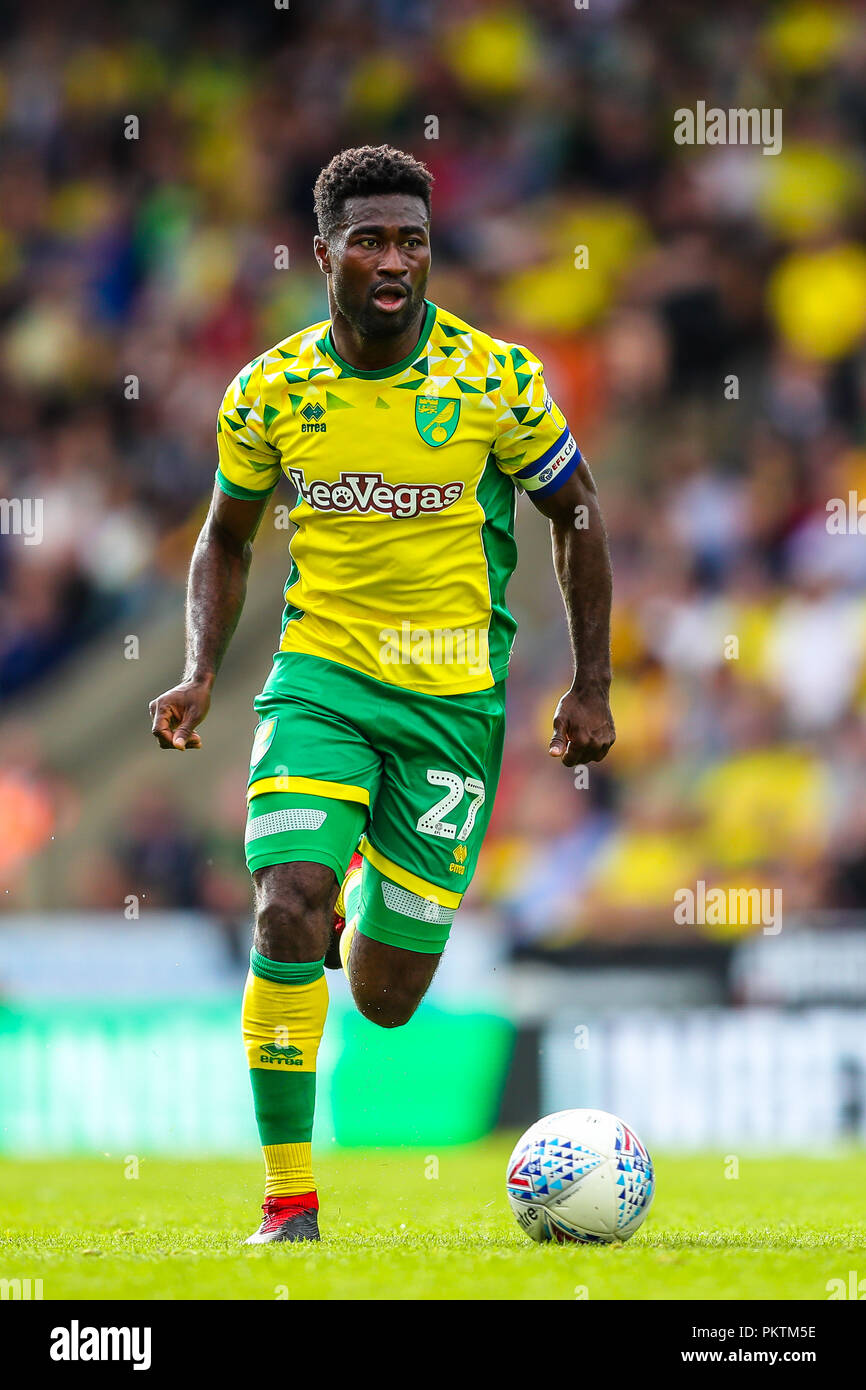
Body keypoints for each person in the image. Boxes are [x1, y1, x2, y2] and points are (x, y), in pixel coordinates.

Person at [149, 145, 615, 1243]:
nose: (394, 257)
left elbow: (577, 514)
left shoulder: (492, 379)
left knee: (386, 996)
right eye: (369, 238)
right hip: (323, 681)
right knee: (284, 901)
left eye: (411, 237)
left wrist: (591, 683)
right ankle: (288, 1204)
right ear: (324, 254)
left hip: (453, 706)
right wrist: (201, 668)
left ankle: (348, 893)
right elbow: (224, 539)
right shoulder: (270, 390)